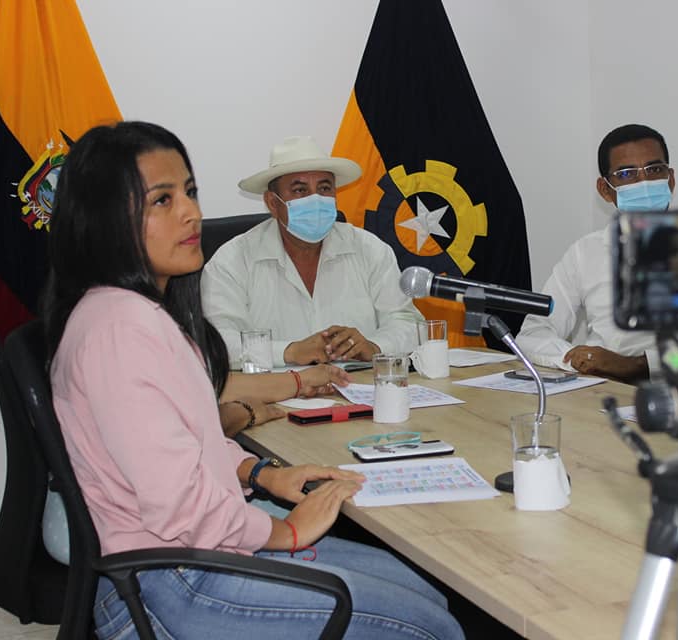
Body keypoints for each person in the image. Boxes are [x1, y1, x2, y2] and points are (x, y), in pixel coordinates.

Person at [43, 121, 464, 639]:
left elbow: (191, 442)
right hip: (169, 580)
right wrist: (285, 531)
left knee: (424, 591)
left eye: (190, 192)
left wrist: (259, 474)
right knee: (430, 627)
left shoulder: (139, 315)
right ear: (106, 219)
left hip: (197, 553)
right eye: (162, 200)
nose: (191, 212)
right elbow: (180, 508)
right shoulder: (120, 330)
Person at [201, 136, 423, 370]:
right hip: (276, 391)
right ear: (273, 203)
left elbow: (409, 324)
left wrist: (374, 347)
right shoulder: (232, 261)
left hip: (361, 387)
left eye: (324, 188)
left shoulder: (370, 249)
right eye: (300, 190)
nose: (315, 199)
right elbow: (217, 344)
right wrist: (289, 351)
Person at [515, 124, 675, 381]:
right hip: (596, 388)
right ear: (605, 189)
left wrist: (636, 365)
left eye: (654, 170)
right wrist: (577, 358)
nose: (643, 183)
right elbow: (533, 333)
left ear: (670, 179)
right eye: (626, 174)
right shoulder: (585, 253)